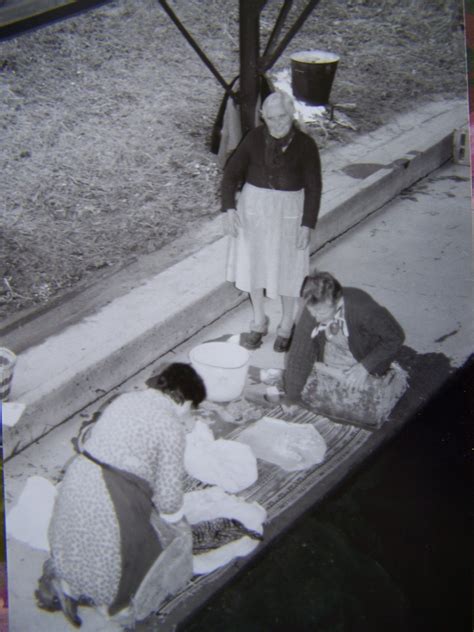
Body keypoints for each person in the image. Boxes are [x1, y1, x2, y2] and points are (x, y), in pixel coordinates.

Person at [36, 363, 206, 628]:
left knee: (81, 541)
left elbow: (88, 437)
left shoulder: (126, 399)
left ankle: (64, 580)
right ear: (184, 402)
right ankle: (97, 596)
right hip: (112, 498)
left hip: (77, 482)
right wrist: (179, 523)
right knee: (143, 554)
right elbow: (169, 501)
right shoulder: (171, 426)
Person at [221, 91, 322, 352]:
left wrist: (307, 224)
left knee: (288, 269)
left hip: (289, 213)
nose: (277, 123)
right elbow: (231, 174)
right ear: (263, 117)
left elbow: (314, 187)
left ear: (292, 115)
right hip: (253, 211)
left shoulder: (306, 145)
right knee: (253, 266)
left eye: (283, 117)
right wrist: (229, 209)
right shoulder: (254, 138)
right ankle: (258, 322)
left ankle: (287, 324)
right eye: (271, 118)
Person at [284, 271, 406, 416]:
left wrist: (364, 367)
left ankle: (331, 370)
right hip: (337, 349)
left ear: (337, 301)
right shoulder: (315, 306)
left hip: (363, 352)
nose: (315, 318)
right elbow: (299, 353)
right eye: (312, 312)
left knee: (365, 399)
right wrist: (292, 397)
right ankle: (328, 369)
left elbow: (396, 336)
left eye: (321, 313)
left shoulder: (363, 308)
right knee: (307, 379)